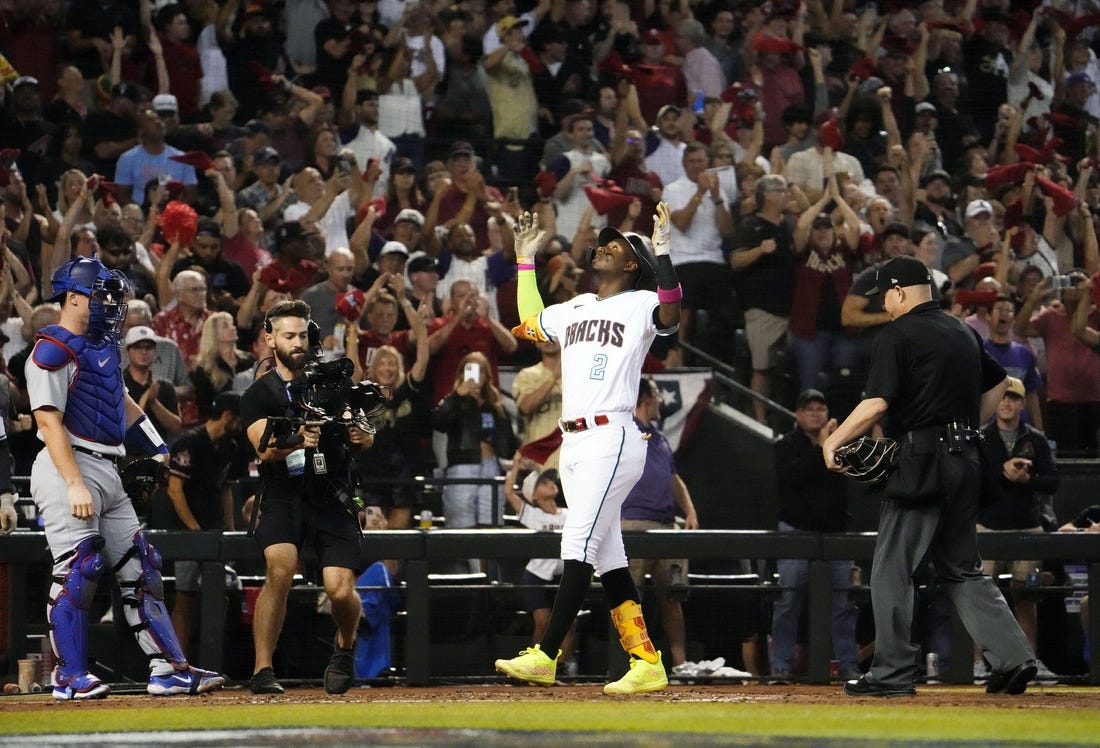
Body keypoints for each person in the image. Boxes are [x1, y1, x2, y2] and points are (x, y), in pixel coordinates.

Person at [822, 255, 1037, 697]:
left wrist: (833, 441)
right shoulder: (962, 329)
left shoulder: (897, 333)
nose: (884, 302)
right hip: (967, 459)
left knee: (890, 570)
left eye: (885, 294)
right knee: (963, 569)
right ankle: (1015, 658)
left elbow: (878, 403)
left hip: (921, 460)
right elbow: (999, 384)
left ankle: (892, 673)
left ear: (899, 291)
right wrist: (962, 429)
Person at [494, 201, 680, 694]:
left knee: (575, 543)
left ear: (631, 265)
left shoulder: (641, 303)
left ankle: (546, 654)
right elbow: (531, 322)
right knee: (608, 556)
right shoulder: (577, 306)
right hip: (573, 442)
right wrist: (526, 261)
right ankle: (646, 662)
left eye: (616, 245)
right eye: (604, 241)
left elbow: (672, 311)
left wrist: (664, 254)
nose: (603, 246)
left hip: (611, 434)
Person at [27, 256, 224, 700]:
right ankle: (68, 677)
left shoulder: (101, 348)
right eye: (100, 294)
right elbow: (48, 422)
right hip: (67, 465)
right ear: (73, 297)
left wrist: (156, 445)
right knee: (80, 569)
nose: (109, 303)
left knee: (143, 567)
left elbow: (122, 403)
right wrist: (74, 481)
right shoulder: (51, 349)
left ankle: (168, 668)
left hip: (108, 466)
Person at [241, 299, 376, 695]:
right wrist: (298, 438)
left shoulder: (333, 382)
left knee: (338, 589)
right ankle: (262, 670)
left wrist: (360, 434)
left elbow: (365, 433)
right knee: (279, 568)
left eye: (302, 334)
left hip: (332, 491)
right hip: (284, 490)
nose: (297, 342)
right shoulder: (259, 393)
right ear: (270, 339)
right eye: (288, 335)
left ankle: (345, 644)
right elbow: (263, 448)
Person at [771, 389, 859, 683]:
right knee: (788, 601)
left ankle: (848, 665)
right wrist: (821, 447)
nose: (815, 414)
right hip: (795, 532)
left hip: (835, 535)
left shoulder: (840, 446)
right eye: (809, 409)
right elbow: (792, 478)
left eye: (821, 409)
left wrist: (830, 444)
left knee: (843, 605)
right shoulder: (785, 445)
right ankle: (780, 666)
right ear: (797, 414)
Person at [977, 376, 1060, 683]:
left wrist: (1030, 479)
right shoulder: (982, 437)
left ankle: (1030, 661)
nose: (1007, 403)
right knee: (980, 597)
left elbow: (1053, 481)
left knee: (1026, 596)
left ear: (1023, 404)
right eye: (1003, 398)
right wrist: (1002, 472)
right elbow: (973, 483)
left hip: (1026, 526)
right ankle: (977, 663)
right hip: (988, 525)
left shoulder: (1035, 439)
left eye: (1013, 398)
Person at [621, 377, 700, 670]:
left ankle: (680, 663)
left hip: (667, 525)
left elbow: (673, 478)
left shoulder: (661, 437)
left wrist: (690, 511)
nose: (660, 401)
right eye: (655, 394)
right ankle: (631, 663)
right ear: (644, 397)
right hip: (633, 523)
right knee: (629, 599)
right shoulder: (625, 432)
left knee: (672, 598)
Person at [166, 392, 244, 659]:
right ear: (228, 416)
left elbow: (225, 490)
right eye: (239, 418)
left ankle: (213, 662)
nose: (242, 425)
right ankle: (179, 664)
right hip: (187, 532)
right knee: (185, 598)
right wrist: (194, 530)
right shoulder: (189, 442)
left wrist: (230, 531)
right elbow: (175, 490)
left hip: (215, 531)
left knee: (220, 593)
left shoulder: (229, 446)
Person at [431, 352, 518, 528]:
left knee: (491, 523)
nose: (476, 375)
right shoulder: (454, 401)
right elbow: (438, 422)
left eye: (481, 370)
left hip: (492, 467)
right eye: (470, 369)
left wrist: (507, 460)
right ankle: (465, 557)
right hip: (462, 467)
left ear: (487, 376)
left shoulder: (496, 406)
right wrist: (457, 396)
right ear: (462, 374)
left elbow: (509, 441)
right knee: (461, 525)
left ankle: (487, 557)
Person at [502, 451, 573, 662]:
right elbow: (508, 493)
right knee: (542, 621)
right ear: (533, 495)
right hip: (537, 575)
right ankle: (533, 664)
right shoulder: (533, 514)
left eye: (549, 480)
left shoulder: (570, 513)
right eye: (543, 483)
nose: (550, 483)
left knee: (569, 623)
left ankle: (559, 668)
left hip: (562, 575)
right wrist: (516, 465)